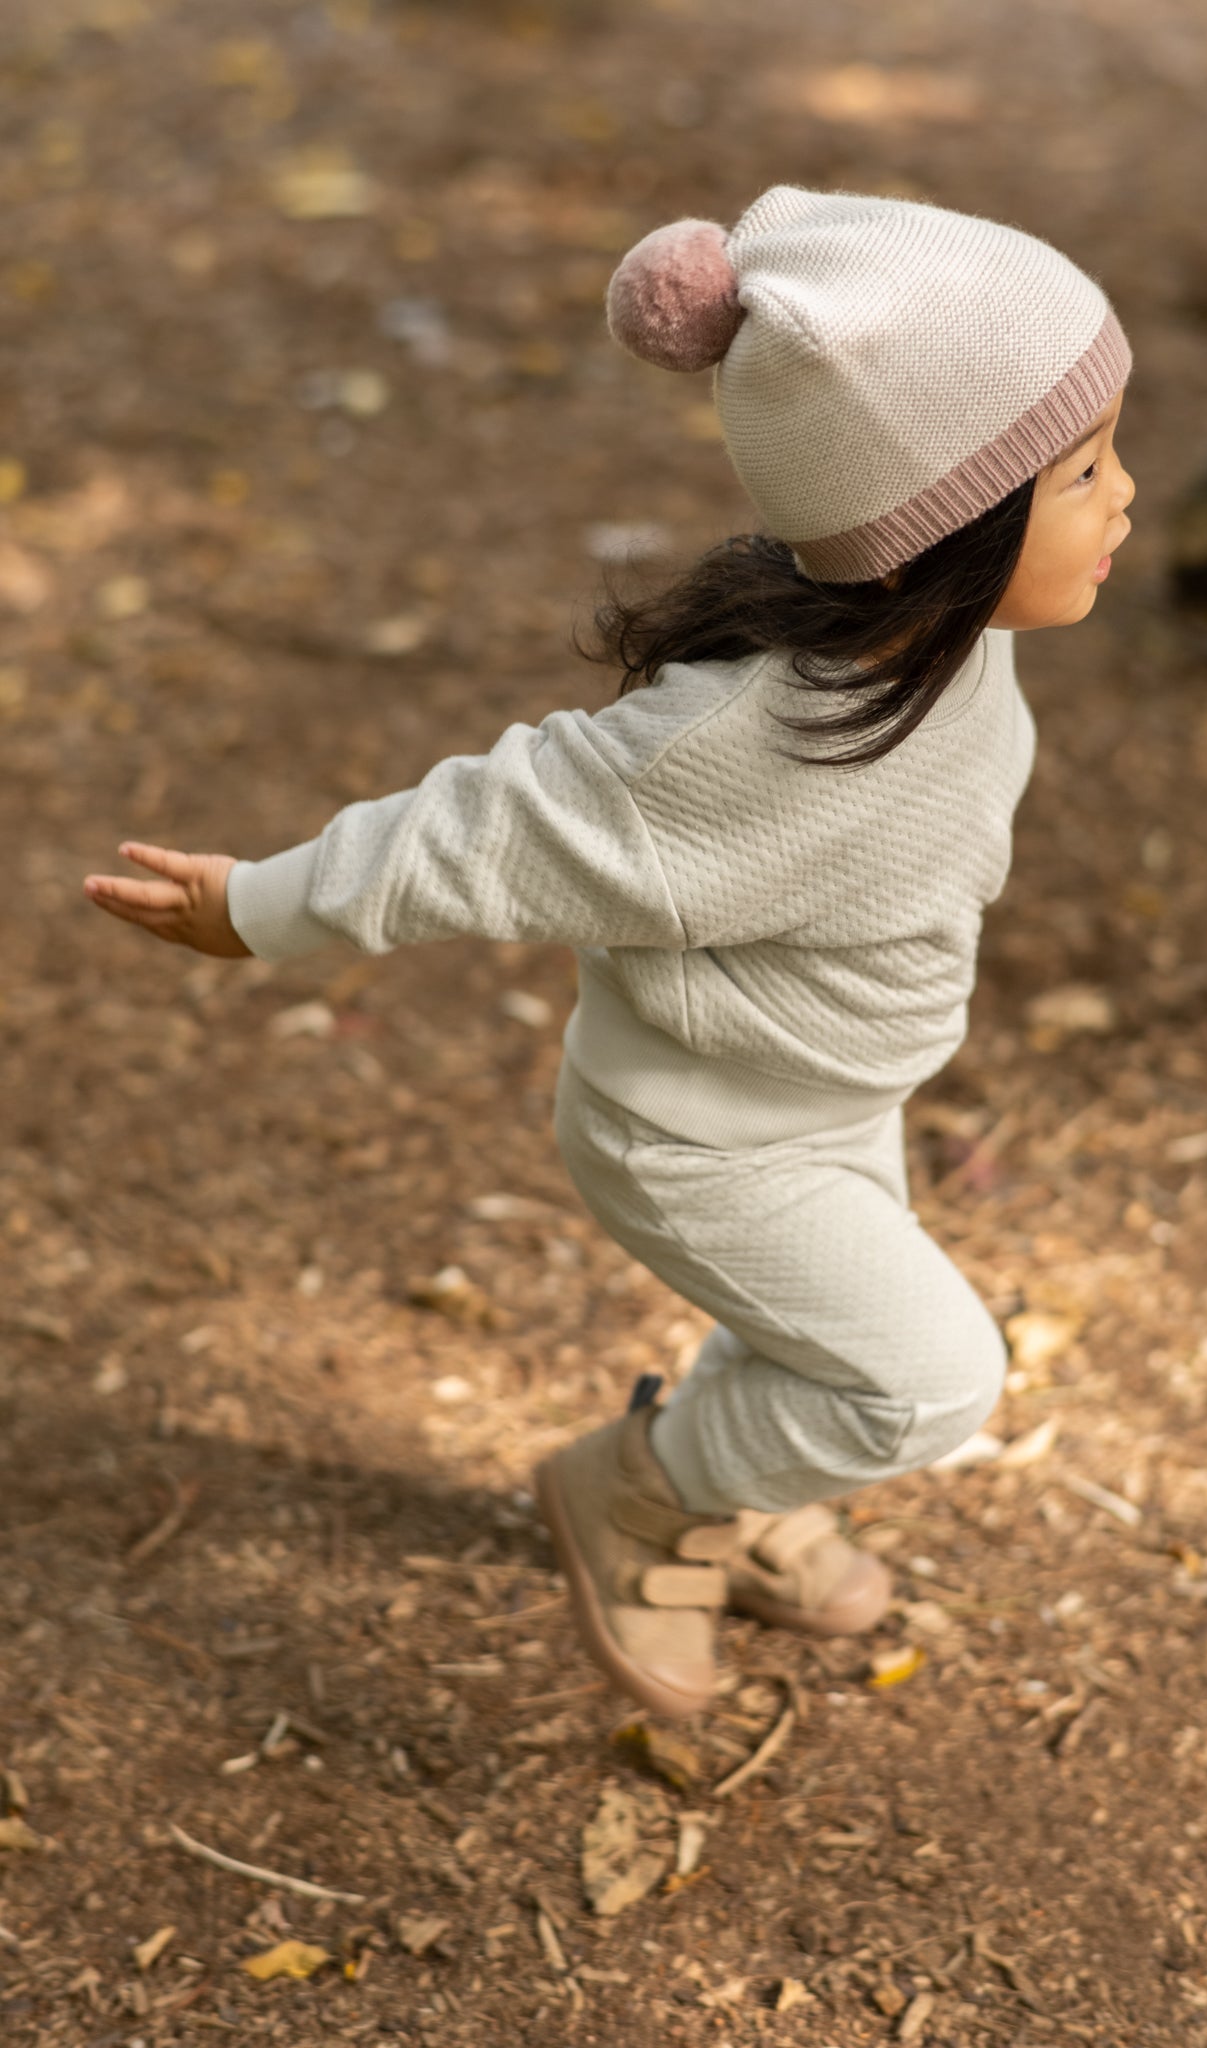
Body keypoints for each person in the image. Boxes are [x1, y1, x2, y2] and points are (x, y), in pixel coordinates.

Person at [84, 186, 1135, 1721]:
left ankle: (740, 1487)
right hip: (704, 1139)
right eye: (1085, 470)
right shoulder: (735, 746)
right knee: (924, 1383)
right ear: (939, 529)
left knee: (811, 1336)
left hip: (830, 1092)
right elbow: (486, 824)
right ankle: (639, 1494)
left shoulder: (945, 652)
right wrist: (262, 906)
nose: (1126, 498)